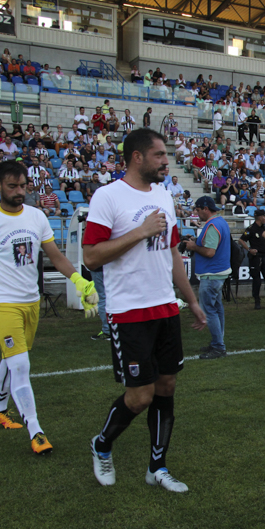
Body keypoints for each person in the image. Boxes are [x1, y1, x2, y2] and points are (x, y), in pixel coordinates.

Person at [83, 129, 207, 493]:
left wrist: (193, 301)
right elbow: (91, 257)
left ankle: (158, 467)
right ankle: (102, 444)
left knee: (166, 386)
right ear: (137, 157)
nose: (166, 161)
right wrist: (138, 232)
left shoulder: (164, 196)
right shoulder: (108, 196)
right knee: (140, 396)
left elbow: (171, 255)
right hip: (129, 311)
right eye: (159, 155)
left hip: (166, 307)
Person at [0, 160, 98, 455]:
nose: (19, 191)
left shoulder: (36, 217)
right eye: (12, 186)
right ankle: (36, 431)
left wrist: (80, 281)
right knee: (21, 364)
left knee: (13, 358)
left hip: (30, 301)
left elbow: (55, 256)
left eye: (23, 186)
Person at [185, 196, 232, 359]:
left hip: (212, 274)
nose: (196, 214)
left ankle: (219, 346)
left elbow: (210, 252)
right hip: (218, 272)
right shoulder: (221, 222)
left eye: (197, 210)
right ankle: (218, 342)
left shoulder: (212, 225)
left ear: (205, 209)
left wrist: (193, 246)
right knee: (217, 308)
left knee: (209, 310)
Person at [240, 211, 265, 309]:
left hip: (264, 256)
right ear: (259, 217)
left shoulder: (264, 228)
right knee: (257, 280)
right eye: (264, 216)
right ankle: (257, 301)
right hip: (255, 257)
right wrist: (249, 250)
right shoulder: (251, 229)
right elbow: (241, 240)